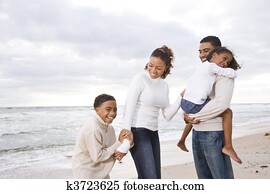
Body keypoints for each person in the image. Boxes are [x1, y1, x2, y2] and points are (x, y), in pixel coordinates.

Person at [118, 45, 182, 179]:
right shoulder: (140, 79)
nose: (153, 70)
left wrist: (182, 97)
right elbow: (129, 108)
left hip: (154, 133)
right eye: (150, 65)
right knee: (150, 178)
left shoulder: (164, 86)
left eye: (158, 68)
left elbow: (168, 115)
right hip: (138, 132)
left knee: (154, 178)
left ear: (166, 68)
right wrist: (126, 141)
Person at [184, 36, 242, 178]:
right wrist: (185, 115)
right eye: (200, 51)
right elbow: (189, 97)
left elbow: (222, 104)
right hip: (197, 132)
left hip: (213, 134)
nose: (202, 55)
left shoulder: (224, 74)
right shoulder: (203, 72)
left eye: (206, 50)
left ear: (216, 51)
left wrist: (194, 117)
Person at [72, 94, 133, 179]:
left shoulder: (110, 128)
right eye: (108, 109)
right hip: (86, 175)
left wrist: (128, 143)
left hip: (103, 175)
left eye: (115, 110)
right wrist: (119, 142)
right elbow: (98, 157)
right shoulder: (93, 128)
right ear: (97, 110)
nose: (112, 113)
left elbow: (113, 152)